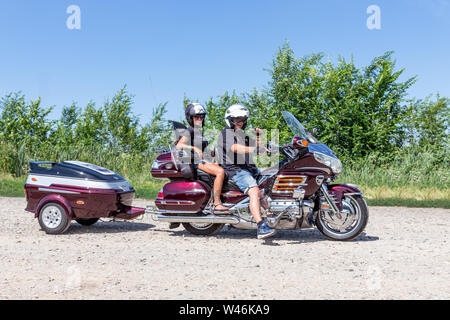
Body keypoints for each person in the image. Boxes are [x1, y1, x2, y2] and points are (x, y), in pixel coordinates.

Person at [218, 104, 276, 239]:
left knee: (275, 176)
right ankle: (261, 226)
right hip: (237, 171)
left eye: (242, 120)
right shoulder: (226, 133)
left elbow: (256, 146)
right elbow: (235, 148)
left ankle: (276, 215)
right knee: (254, 191)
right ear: (230, 120)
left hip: (250, 169)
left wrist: (260, 138)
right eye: (236, 120)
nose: (239, 123)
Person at [176, 103, 229, 212]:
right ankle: (217, 203)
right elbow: (179, 145)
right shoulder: (189, 131)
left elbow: (204, 150)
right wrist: (194, 149)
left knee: (227, 167)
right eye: (196, 117)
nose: (200, 119)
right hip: (195, 162)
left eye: (202, 116)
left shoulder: (198, 131)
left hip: (203, 160)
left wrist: (215, 152)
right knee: (220, 172)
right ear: (190, 118)